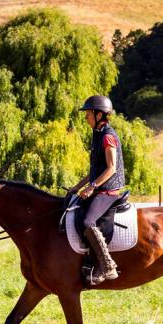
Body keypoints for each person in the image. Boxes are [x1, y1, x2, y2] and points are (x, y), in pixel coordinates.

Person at [70, 95, 126, 285]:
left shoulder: (108, 136)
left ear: (99, 114)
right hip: (98, 188)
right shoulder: (97, 134)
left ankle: (106, 265)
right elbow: (95, 170)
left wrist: (91, 187)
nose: (86, 117)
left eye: (88, 114)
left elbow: (111, 168)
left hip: (108, 191)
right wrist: (77, 187)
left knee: (87, 221)